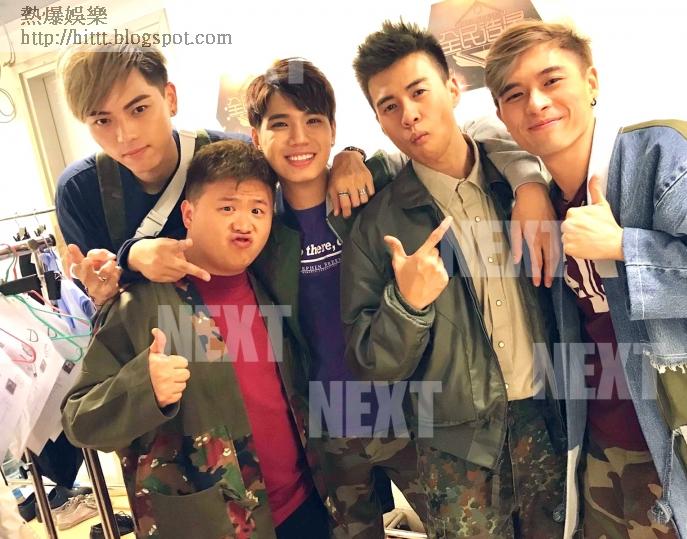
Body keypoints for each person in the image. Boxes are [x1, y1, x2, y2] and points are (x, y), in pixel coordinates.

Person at [245, 55, 562, 538]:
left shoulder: (372, 190)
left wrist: (529, 180)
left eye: (313, 121)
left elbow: (476, 132)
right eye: (279, 124)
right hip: (329, 426)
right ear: (256, 136)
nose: (299, 138)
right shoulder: (259, 228)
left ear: (333, 129)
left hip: (412, 416)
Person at [486, 19, 687, 539]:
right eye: (515, 95)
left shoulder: (663, 154)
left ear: (591, 81)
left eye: (552, 80)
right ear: (502, 115)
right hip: (600, 449)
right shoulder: (544, 205)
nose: (536, 103)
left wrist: (624, 248)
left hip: (686, 454)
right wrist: (527, 185)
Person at [342, 20, 566, 538]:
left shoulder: (520, 185)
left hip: (550, 420)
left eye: (418, 91)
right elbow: (371, 363)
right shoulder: (377, 225)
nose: (409, 114)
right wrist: (407, 306)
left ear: (453, 87)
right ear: (378, 121)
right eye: (389, 105)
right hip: (456, 449)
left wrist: (530, 184)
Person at [62, 140, 332, 538]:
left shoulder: (270, 282)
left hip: (303, 506)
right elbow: (78, 420)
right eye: (227, 208)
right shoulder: (143, 305)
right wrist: (144, 387)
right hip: (213, 524)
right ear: (188, 213)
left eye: (257, 210)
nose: (244, 223)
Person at [54, 43, 372, 307]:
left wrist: (349, 156)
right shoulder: (80, 190)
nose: (125, 135)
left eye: (139, 109)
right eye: (102, 121)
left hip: (253, 328)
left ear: (170, 98)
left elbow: (299, 161)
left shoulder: (231, 152)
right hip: (161, 350)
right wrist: (115, 275)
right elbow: (100, 296)